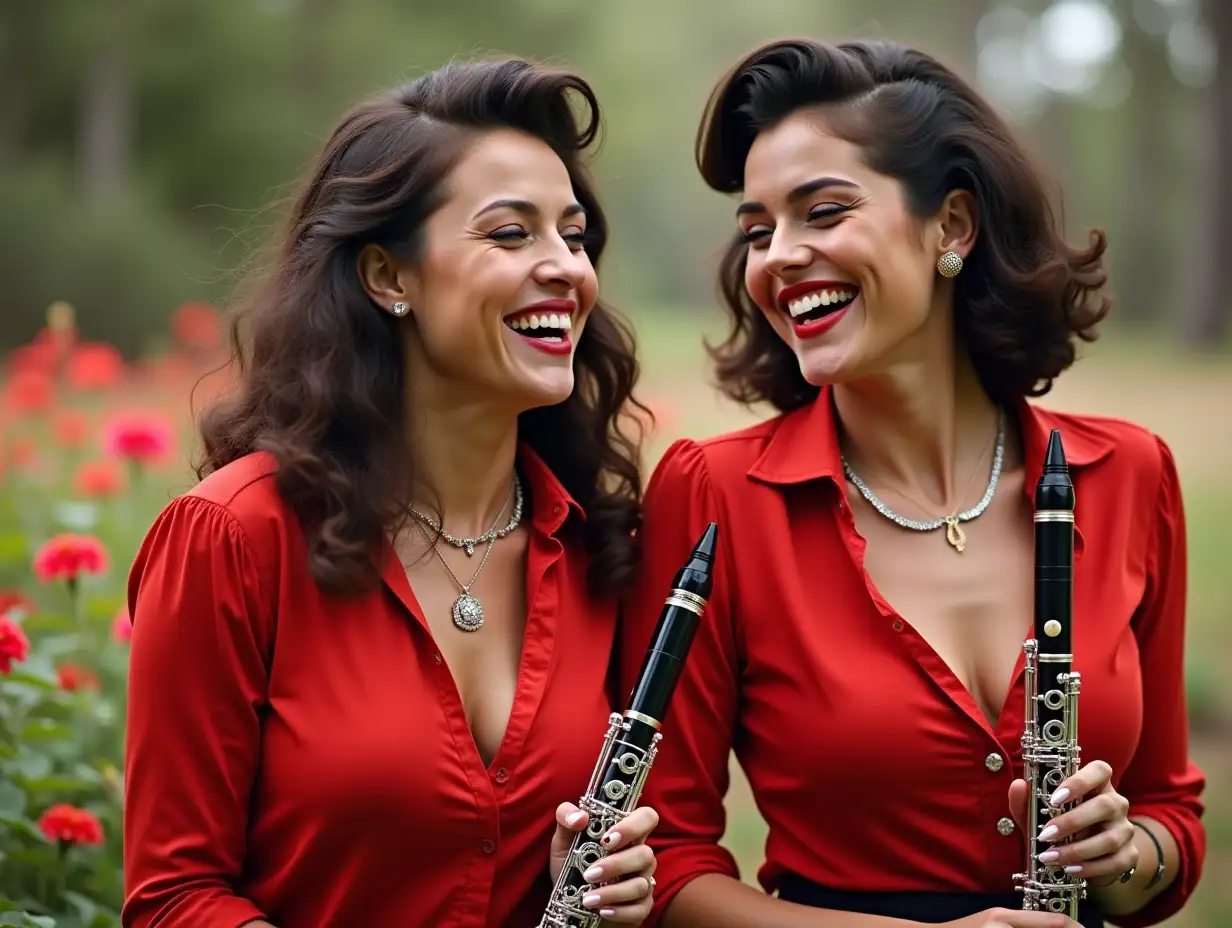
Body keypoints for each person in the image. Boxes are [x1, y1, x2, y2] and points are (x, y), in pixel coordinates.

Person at [620, 37, 1205, 928]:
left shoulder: (1128, 474)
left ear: (953, 227)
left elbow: (1171, 815)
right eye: (757, 230)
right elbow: (660, 864)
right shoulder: (714, 497)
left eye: (823, 211)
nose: (778, 256)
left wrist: (1128, 857)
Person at [122, 58, 661, 928]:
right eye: (510, 234)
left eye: (573, 234)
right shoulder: (233, 537)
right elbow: (173, 900)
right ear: (388, 276)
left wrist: (609, 893)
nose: (567, 268)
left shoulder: (596, 544)